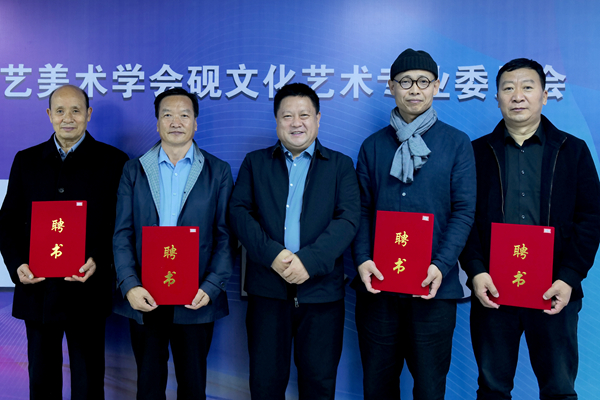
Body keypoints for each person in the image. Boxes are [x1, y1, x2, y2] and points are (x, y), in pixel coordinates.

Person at [460, 58, 600, 399]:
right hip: (493, 289)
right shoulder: (476, 153)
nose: (517, 95)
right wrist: (476, 271)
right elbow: (464, 216)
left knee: (559, 389)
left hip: (553, 289)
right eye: (508, 88)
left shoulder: (573, 151)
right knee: (492, 389)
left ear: (545, 95)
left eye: (527, 87)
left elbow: (591, 218)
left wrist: (568, 278)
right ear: (497, 98)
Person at [351, 48, 476, 400]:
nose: (415, 89)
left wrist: (441, 264)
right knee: (377, 387)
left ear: (436, 86)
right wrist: (363, 259)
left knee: (430, 388)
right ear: (392, 87)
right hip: (378, 288)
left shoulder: (456, 143)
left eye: (423, 81)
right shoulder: (373, 146)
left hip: (434, 289)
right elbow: (360, 210)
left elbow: (464, 211)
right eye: (405, 82)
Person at [228, 83, 360, 400]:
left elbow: (348, 219)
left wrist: (308, 262)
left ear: (318, 119)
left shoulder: (340, 165)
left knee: (319, 385)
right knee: (265, 385)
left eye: (304, 115)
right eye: (287, 116)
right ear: (276, 121)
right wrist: (273, 255)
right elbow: (239, 213)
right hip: (267, 293)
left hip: (322, 296)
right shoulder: (255, 163)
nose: (296, 123)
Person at [0, 85, 129, 400]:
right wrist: (18, 265)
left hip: (87, 288)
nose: (67, 118)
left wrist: (98, 259)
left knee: (89, 382)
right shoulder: (27, 161)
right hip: (38, 290)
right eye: (59, 111)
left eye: (75, 110)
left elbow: (121, 224)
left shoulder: (114, 161)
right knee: (41, 381)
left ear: (88, 113)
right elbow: (7, 223)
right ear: (49, 115)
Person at [112, 87, 235, 400]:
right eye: (167, 115)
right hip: (145, 296)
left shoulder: (218, 171)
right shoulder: (134, 170)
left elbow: (226, 235)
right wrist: (129, 285)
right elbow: (122, 233)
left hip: (195, 297)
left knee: (193, 388)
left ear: (196, 123)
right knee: (148, 387)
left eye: (184, 115)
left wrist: (211, 286)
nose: (176, 122)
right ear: (157, 123)